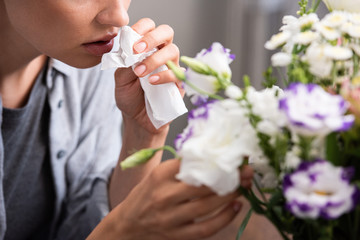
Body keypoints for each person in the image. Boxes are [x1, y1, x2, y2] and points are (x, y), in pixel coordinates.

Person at [0, 0, 254, 239]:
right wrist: (119, 230)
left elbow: (82, 228)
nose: (120, 16)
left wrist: (145, 133)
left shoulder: (89, 66)